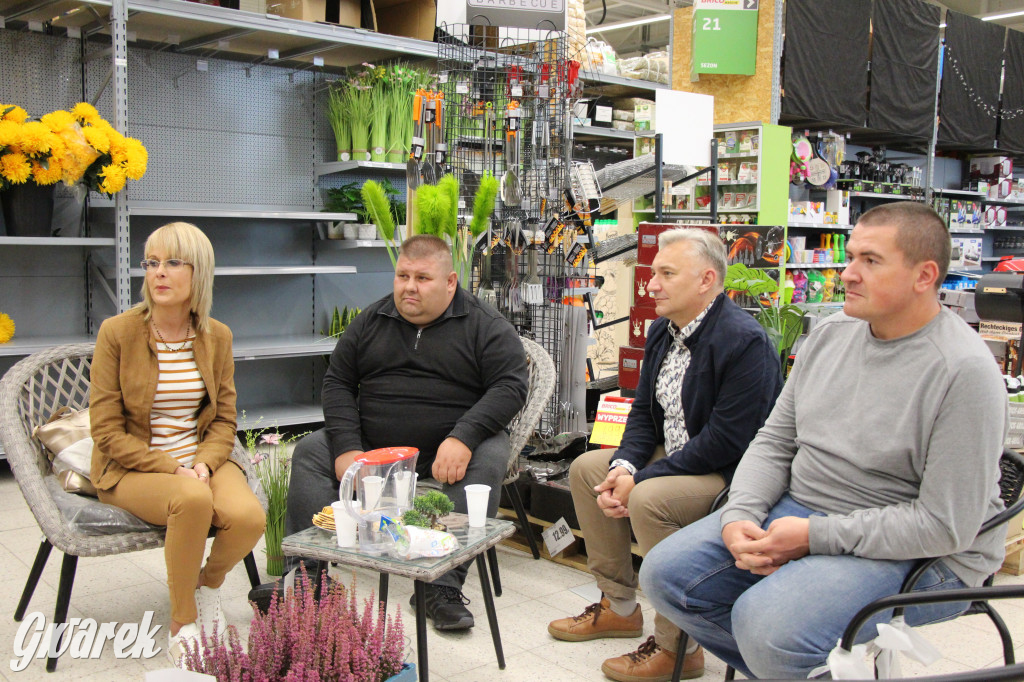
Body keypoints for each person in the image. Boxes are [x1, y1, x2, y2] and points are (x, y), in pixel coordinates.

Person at [639, 202, 1008, 680]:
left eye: (870, 261)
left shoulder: (965, 372)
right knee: (666, 577)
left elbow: (943, 526)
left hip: (923, 552)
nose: (848, 273)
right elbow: (774, 440)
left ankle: (799, 661)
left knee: (768, 627)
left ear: (924, 275)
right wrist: (740, 515)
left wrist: (814, 538)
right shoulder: (833, 333)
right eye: (850, 256)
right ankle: (820, 670)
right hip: (802, 511)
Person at [548, 227, 782, 682]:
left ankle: (682, 644)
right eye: (653, 272)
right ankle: (618, 606)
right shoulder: (662, 330)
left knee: (648, 499)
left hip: (728, 471)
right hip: (674, 454)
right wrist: (624, 465)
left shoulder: (744, 341)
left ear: (706, 280)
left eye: (666, 273)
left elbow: (727, 441)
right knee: (586, 468)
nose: (651, 284)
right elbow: (643, 414)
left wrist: (643, 481)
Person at [280, 234, 528, 630]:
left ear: (451, 282)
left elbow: (511, 386)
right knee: (310, 450)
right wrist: (347, 448)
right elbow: (338, 382)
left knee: (491, 455)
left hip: (447, 448)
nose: (409, 286)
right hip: (376, 448)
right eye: (402, 276)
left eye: (423, 278)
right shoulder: (373, 320)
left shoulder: (486, 326)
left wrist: (464, 436)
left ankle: (439, 588)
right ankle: (310, 578)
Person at [89, 222, 266, 667]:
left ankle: (207, 586)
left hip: (199, 456)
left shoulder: (216, 336)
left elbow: (224, 419)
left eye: (171, 262)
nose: (157, 273)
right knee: (189, 498)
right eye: (151, 263)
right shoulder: (117, 332)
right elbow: (106, 431)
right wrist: (174, 469)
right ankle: (183, 620)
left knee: (248, 517)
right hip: (131, 467)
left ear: (199, 271)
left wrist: (205, 463)